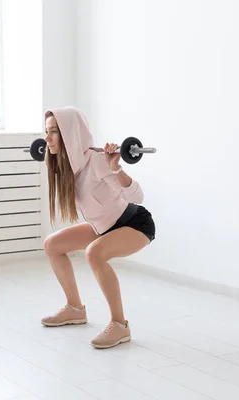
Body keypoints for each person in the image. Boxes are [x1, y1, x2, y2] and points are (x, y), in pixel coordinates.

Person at [40, 106, 156, 349]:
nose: (47, 138)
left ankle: (120, 325)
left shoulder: (97, 161)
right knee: (52, 245)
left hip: (134, 223)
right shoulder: (67, 167)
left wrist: (116, 168)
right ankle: (74, 309)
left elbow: (138, 196)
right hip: (102, 226)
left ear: (70, 134)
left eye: (54, 132)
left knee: (94, 252)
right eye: (46, 131)